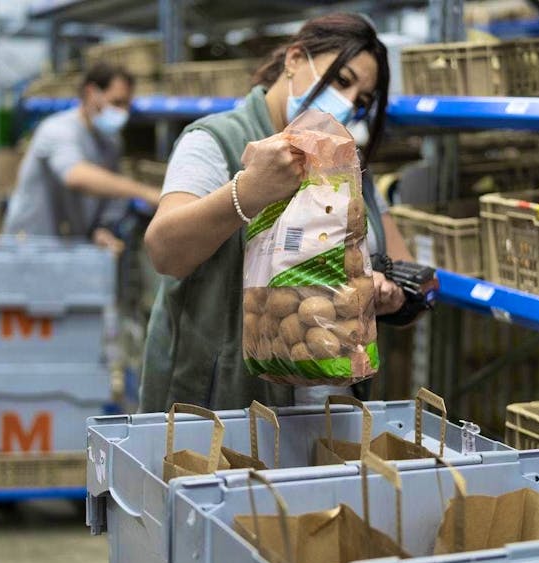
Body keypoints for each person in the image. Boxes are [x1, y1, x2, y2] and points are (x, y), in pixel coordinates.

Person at [140, 13, 416, 412]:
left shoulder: (346, 167)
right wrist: (249, 191)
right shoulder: (214, 141)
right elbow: (164, 252)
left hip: (328, 407)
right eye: (341, 80)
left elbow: (406, 268)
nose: (347, 103)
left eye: (362, 100)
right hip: (227, 406)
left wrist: (389, 290)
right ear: (294, 59)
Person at [2, 63, 161, 251]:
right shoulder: (57, 130)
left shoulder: (111, 142)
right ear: (91, 92)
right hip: (30, 246)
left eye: (127, 104)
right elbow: (76, 176)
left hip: (72, 249)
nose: (123, 112)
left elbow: (111, 197)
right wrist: (145, 192)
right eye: (116, 102)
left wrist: (102, 229)